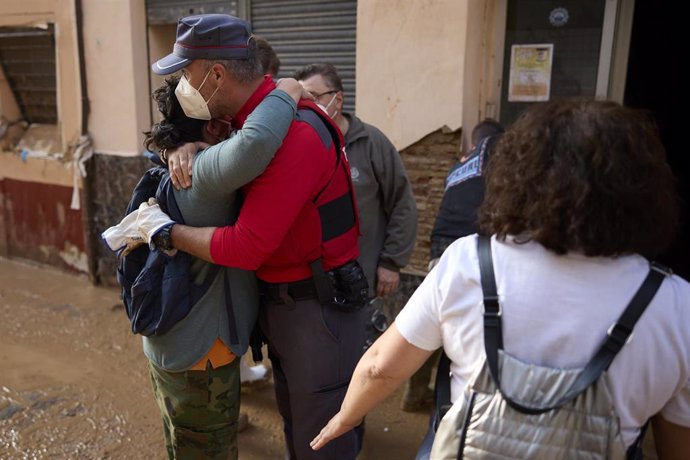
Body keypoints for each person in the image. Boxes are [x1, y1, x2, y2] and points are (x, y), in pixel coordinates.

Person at [309, 99, 690, 458]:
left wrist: (347, 417)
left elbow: (380, 366)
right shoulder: (675, 304)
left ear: (521, 177)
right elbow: (677, 442)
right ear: (644, 192)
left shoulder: (469, 262)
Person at [131, 14, 367, 460]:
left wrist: (166, 233)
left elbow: (246, 246)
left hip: (317, 308)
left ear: (216, 75)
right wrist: (177, 146)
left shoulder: (292, 133)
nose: (182, 84)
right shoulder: (248, 124)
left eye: (186, 72)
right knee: (300, 429)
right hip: (285, 305)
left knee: (322, 442)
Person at [103, 70, 302, 458]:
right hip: (201, 356)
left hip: (169, 343)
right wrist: (291, 86)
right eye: (230, 120)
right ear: (214, 127)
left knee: (182, 442)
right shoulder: (204, 173)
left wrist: (170, 148)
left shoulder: (174, 161)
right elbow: (257, 141)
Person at [294, 63, 418, 349]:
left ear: (338, 98)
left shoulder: (372, 143)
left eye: (313, 96)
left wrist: (391, 262)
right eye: (301, 98)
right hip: (312, 281)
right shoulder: (300, 142)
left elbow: (402, 203)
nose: (307, 105)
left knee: (359, 356)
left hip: (363, 276)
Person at [399, 120, 505, 415]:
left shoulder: (459, 167)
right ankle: (467, 396)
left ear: (473, 143)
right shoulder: (499, 157)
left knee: (434, 320)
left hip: (442, 247)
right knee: (474, 322)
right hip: (475, 249)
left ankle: (416, 391)